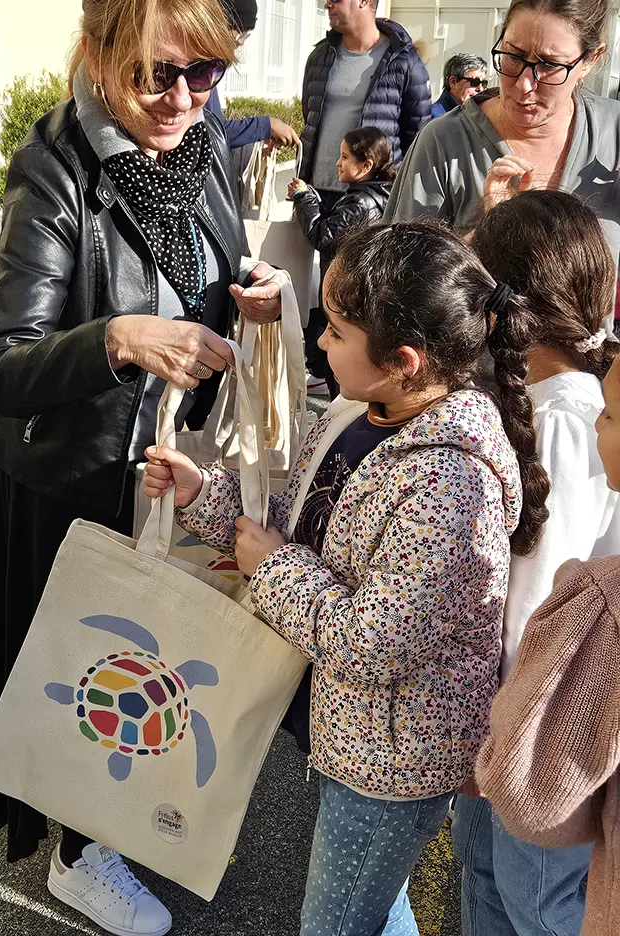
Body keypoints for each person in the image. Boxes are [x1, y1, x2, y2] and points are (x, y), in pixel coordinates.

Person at [0, 1, 286, 934]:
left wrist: (253, 297)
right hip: (76, 480)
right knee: (85, 670)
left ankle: (125, 819)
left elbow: (212, 276)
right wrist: (113, 338)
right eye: (158, 73)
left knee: (157, 659)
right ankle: (77, 853)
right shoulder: (55, 170)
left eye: (206, 75)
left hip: (169, 465)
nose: (184, 99)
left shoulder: (200, 149)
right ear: (102, 50)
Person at [144, 220, 550, 936]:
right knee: (375, 903)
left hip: (391, 768)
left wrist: (271, 568)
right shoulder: (361, 410)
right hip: (354, 735)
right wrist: (200, 496)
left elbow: (373, 643)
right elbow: (302, 521)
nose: (321, 342)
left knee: (336, 922)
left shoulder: (450, 486)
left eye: (335, 330)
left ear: (404, 359)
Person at [452, 190, 620, 936]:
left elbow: (539, 600)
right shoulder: (557, 402)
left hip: (544, 724)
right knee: (490, 882)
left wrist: (500, 730)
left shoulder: (566, 420)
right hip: (519, 712)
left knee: (539, 903)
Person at [475, 355, 620, 934]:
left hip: (532, 722)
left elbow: (534, 795)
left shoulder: (602, 599)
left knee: (534, 898)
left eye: (610, 416)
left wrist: (496, 740)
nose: (597, 424)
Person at [383, 0, 620, 322]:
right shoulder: (444, 141)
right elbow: (398, 281)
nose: (523, 85)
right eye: (513, 56)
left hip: (592, 369)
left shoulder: (613, 132)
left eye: (550, 65)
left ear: (591, 59)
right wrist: (486, 228)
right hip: (476, 370)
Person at [288, 126, 395, 396]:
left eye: (345, 157)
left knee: (340, 362)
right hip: (364, 294)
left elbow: (322, 235)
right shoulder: (380, 195)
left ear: (366, 165)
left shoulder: (360, 202)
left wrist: (303, 197)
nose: (338, 163)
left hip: (346, 293)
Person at [299, 0, 431, 209]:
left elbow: (417, 138)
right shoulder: (320, 57)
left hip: (371, 199)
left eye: (335, 0)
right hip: (317, 194)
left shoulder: (404, 61)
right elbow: (310, 117)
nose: (327, 5)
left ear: (364, 1)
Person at [206, 0, 301, 150]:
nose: (242, 41)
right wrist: (266, 126)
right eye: (240, 31)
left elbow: (215, 130)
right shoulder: (197, 72)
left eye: (247, 33)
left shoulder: (210, 69)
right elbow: (212, 134)